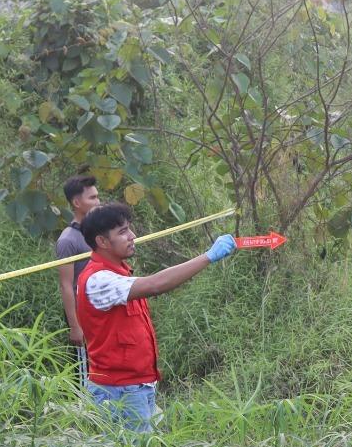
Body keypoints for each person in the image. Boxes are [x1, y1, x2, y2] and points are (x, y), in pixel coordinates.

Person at [76, 204, 237, 432]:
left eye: (129, 229)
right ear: (102, 242)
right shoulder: (98, 280)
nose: (132, 237)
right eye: (122, 232)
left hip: (137, 386)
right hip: (119, 391)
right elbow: (155, 285)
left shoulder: (119, 273)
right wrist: (208, 257)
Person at [55, 175, 102, 353]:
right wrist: (75, 326)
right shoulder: (68, 240)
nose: (98, 202)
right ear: (76, 202)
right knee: (85, 372)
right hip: (82, 315)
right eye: (92, 198)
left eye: (97, 196)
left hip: (101, 310)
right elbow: (66, 285)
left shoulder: (100, 232)